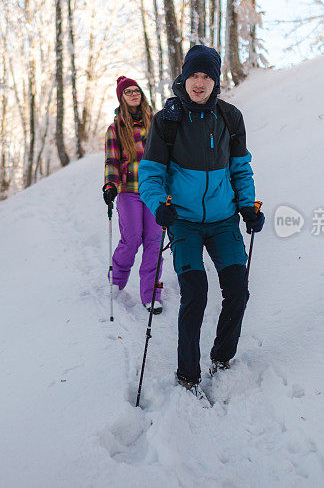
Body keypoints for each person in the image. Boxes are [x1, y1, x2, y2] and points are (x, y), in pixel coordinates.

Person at [138, 45, 265, 395]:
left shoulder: (230, 117)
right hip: (185, 222)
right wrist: (158, 205)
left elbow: (240, 168)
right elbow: (149, 174)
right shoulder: (167, 120)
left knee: (238, 291)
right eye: (194, 75)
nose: (199, 82)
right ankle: (187, 374)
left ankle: (222, 358)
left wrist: (248, 207)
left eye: (207, 76)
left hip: (224, 220)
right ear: (184, 76)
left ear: (216, 80)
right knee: (196, 292)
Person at [103, 76, 164, 314]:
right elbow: (112, 161)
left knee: (154, 240)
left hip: (155, 190)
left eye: (136, 90)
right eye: (127, 91)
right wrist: (110, 185)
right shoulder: (115, 128)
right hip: (129, 191)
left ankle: (151, 294)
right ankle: (116, 280)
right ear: (121, 97)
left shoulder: (156, 122)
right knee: (132, 237)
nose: (133, 94)